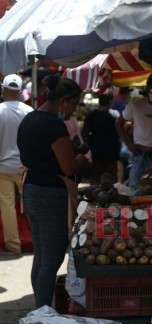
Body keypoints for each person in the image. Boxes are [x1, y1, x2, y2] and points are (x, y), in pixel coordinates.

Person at [17, 76, 89, 309]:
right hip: (50, 195)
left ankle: (40, 310)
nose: (74, 109)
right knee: (52, 258)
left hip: (31, 189)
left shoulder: (29, 119)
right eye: (74, 103)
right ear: (64, 100)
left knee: (40, 256)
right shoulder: (53, 125)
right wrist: (81, 156)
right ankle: (43, 313)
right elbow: (68, 167)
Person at [0, 74, 33, 254]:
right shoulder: (29, 112)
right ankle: (36, 241)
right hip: (25, 167)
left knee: (7, 206)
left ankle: (13, 245)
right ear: (20, 92)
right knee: (29, 204)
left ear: (3, 89)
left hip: (2, 167)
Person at [82, 93, 122, 184]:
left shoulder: (91, 115)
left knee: (96, 175)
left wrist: (89, 143)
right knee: (110, 177)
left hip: (96, 150)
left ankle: (93, 195)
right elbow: (120, 132)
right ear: (110, 102)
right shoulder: (114, 115)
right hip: (111, 151)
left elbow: (85, 133)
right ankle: (109, 196)